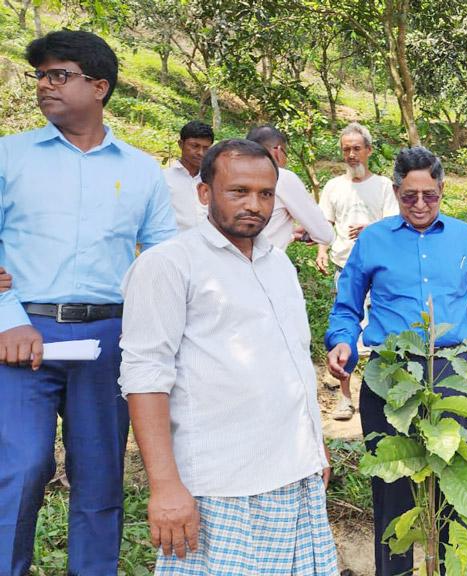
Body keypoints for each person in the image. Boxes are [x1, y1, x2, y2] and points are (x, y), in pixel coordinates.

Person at [0, 30, 177, 575]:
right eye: (41, 76)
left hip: (108, 340)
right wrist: (8, 321)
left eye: (59, 74)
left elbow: (164, 260)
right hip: (22, 337)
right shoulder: (9, 156)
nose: (44, 86)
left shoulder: (143, 170)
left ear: (99, 87)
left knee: (100, 474)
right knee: (21, 468)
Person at [118, 139, 338, 575]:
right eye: (238, 191)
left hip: (294, 476)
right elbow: (145, 377)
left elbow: (292, 360)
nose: (254, 205)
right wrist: (164, 488)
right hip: (219, 487)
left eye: (266, 194)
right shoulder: (169, 265)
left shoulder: (280, 265)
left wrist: (315, 448)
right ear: (205, 194)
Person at [324, 146, 467, 576]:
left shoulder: (465, 239)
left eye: (429, 195)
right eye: (409, 196)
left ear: (442, 191)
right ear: (395, 191)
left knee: (454, 497)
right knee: (394, 496)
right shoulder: (373, 239)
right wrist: (342, 341)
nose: (420, 205)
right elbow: (346, 306)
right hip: (390, 376)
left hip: (454, 376)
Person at [316, 122, 399, 421]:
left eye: (356, 148)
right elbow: (325, 222)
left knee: (383, 333)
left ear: (369, 150)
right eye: (346, 149)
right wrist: (322, 250)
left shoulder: (385, 187)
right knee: (344, 332)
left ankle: (383, 394)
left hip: (380, 272)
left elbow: (395, 225)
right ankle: (345, 397)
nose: (351, 154)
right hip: (345, 267)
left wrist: (371, 229)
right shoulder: (334, 187)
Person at [246, 124, 334, 250]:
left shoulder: (230, 175)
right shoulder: (282, 177)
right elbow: (325, 235)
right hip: (262, 264)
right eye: (285, 154)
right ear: (277, 151)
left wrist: (290, 234)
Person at [164, 120, 214, 231]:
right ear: (181, 144)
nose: (201, 153)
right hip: (174, 244)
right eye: (195, 146)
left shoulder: (212, 180)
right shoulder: (164, 179)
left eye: (206, 148)